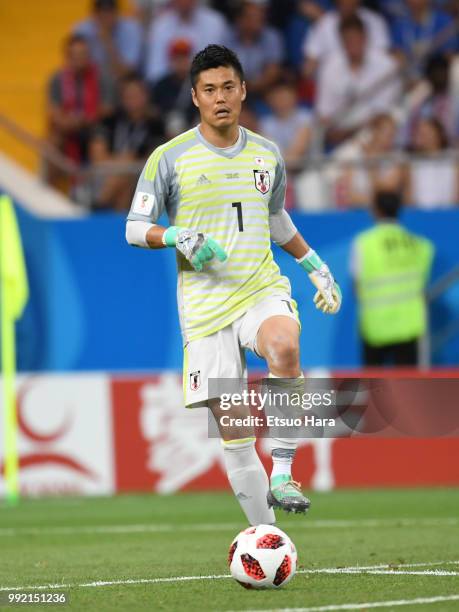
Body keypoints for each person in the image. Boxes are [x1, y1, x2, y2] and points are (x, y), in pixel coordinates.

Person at [125, 45, 342, 525]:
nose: (219, 97)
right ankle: (268, 536)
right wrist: (176, 235)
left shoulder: (267, 154)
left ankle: (284, 472)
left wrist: (313, 264)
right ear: (195, 97)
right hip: (205, 310)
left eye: (228, 87)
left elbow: (275, 216)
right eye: (209, 90)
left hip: (260, 287)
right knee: (237, 435)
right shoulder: (169, 158)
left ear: (243, 91)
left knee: (285, 345)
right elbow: (135, 227)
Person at [350, 190, 434, 366]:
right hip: (409, 326)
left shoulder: (364, 243)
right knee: (408, 389)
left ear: (376, 210)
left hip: (375, 327)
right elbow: (422, 282)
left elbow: (356, 286)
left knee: (373, 389)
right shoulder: (420, 245)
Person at [316, 14, 401, 147]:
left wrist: (359, 129)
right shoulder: (330, 68)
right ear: (341, 41)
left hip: (377, 136)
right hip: (341, 139)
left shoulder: (386, 65)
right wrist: (342, 133)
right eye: (348, 40)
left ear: (365, 38)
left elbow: (384, 113)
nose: (353, 44)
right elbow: (324, 115)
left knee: (386, 125)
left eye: (357, 39)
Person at [46, 34, 114, 188]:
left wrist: (86, 118)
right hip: (68, 128)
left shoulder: (102, 77)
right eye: (75, 55)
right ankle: (48, 194)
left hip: (94, 127)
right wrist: (70, 122)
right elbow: (54, 113)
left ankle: (99, 195)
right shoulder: (57, 79)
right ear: (67, 57)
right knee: (52, 144)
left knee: (98, 146)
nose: (80, 59)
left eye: (84, 54)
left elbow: (108, 108)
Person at [89, 74, 165, 211]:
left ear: (146, 96)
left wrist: (129, 164)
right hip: (105, 176)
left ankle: (99, 207)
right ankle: (114, 220)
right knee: (125, 177)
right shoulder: (109, 120)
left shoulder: (155, 126)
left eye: (136, 95)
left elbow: (154, 161)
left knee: (129, 180)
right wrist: (124, 162)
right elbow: (97, 158)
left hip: (140, 178)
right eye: (128, 96)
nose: (132, 100)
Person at [145, 0, 229, 83]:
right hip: (171, 86)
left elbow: (221, 64)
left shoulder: (215, 23)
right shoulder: (160, 25)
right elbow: (155, 72)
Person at [332, 113, 403, 208]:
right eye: (387, 133)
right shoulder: (353, 154)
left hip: (383, 213)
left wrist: (371, 164)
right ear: (374, 132)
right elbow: (347, 195)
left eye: (393, 134)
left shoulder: (397, 158)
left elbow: (386, 194)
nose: (391, 138)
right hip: (355, 211)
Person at [303, 0, 390, 77]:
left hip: (369, 82)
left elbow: (382, 57)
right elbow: (310, 62)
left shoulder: (375, 21)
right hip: (332, 82)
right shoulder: (324, 24)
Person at [223, 0, 285, 101]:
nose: (258, 22)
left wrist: (252, 86)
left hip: (264, 91)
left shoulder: (271, 36)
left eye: (260, 18)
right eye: (252, 18)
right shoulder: (227, 37)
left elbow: (273, 71)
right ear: (240, 19)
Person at [74, 0, 143, 86]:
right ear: (94, 15)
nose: (106, 17)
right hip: (92, 82)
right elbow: (75, 64)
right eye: (101, 13)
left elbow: (126, 72)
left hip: (123, 83)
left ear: (117, 13)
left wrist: (107, 41)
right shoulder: (82, 30)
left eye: (109, 12)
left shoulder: (131, 29)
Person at [404, 117, 459, 209]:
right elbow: (409, 194)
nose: (423, 136)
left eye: (427, 132)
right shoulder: (412, 162)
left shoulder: (452, 159)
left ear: (438, 134)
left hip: (448, 212)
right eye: (420, 133)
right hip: (421, 212)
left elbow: (456, 191)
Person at [152, 38, 199, 138]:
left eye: (184, 58)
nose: (181, 62)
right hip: (164, 135)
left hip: (192, 134)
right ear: (170, 60)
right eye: (177, 58)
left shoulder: (198, 84)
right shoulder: (161, 86)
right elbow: (153, 111)